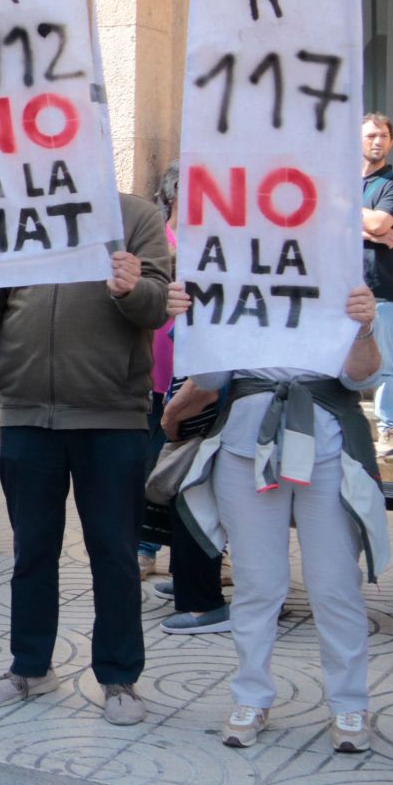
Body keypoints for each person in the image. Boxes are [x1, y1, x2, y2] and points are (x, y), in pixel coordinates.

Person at [0, 190, 172, 726]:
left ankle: (118, 677)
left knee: (114, 554)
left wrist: (132, 288)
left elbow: (158, 304)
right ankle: (30, 667)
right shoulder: (20, 215)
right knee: (32, 551)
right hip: (26, 415)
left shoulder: (135, 216)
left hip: (110, 418)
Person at [167, 281, 389, 753]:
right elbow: (210, 379)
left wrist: (364, 326)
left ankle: (349, 703)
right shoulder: (232, 278)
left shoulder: (342, 277)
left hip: (328, 450)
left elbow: (362, 378)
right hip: (244, 450)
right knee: (257, 583)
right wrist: (193, 318)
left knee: (335, 584)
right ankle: (251, 696)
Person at [135, 163, 231, 634]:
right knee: (166, 476)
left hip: (200, 392)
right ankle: (176, 568)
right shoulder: (162, 240)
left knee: (188, 478)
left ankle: (201, 589)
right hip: (163, 378)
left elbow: (211, 368)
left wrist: (177, 411)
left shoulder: (218, 250)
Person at [360, 113, 393, 460]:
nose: (378, 141)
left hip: (380, 289)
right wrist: (367, 231)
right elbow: (319, 222)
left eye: (384, 136)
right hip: (338, 290)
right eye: (371, 135)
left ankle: (389, 429)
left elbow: (380, 223)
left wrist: (343, 213)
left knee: (385, 363)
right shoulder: (340, 181)